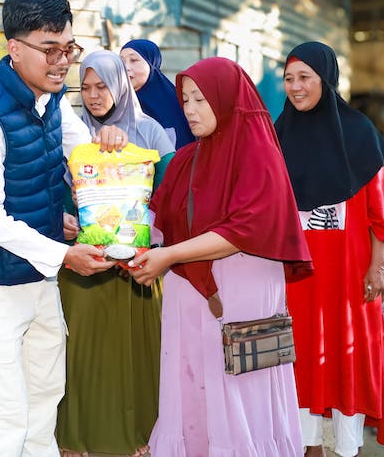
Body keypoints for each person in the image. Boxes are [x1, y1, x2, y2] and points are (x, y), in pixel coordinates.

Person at [0, 0, 126, 457]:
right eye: (50, 50)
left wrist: (108, 146)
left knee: (46, 395)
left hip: (40, 278)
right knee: (5, 416)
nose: (62, 62)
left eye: (68, 48)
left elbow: (81, 155)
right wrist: (64, 255)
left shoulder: (52, 99)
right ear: (14, 48)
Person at [131, 56, 313, 456]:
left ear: (226, 98)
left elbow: (242, 230)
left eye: (200, 99)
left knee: (238, 383)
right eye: (185, 100)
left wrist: (168, 256)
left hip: (244, 285)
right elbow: (155, 224)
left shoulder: (258, 154)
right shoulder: (185, 159)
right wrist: (106, 231)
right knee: (192, 379)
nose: (190, 109)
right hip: (186, 290)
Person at [274, 41, 384, 457]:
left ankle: (348, 446)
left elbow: (379, 208)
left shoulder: (359, 133)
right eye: (289, 79)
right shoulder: (278, 135)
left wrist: (378, 264)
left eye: (304, 77)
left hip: (349, 273)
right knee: (301, 358)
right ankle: (309, 447)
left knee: (348, 357)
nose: (295, 87)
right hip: (298, 275)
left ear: (325, 80)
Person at [56, 50, 174, 457]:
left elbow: (173, 197)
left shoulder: (149, 132)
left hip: (139, 268)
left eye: (102, 86)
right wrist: (67, 213)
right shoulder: (72, 136)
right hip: (84, 267)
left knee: (135, 355)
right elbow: (55, 196)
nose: (93, 95)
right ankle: (79, 436)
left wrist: (147, 242)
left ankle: (138, 433)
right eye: (85, 87)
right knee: (84, 356)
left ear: (120, 85)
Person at [120, 39, 196, 149]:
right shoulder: (117, 103)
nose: (126, 67)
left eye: (134, 60)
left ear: (151, 63)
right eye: (121, 61)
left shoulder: (175, 103)